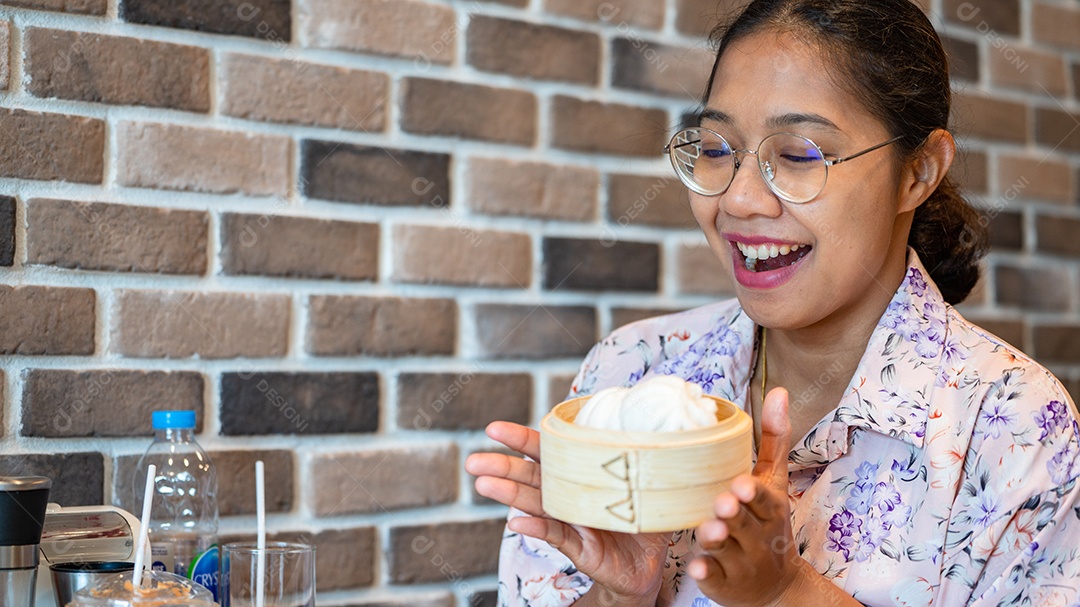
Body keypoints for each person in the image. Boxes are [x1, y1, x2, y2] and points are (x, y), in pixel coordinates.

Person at [464, 0, 1080, 605]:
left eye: (798, 155)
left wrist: (786, 591)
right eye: (716, 149)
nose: (738, 200)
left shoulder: (1019, 428)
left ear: (918, 171)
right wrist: (615, 595)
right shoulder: (628, 370)